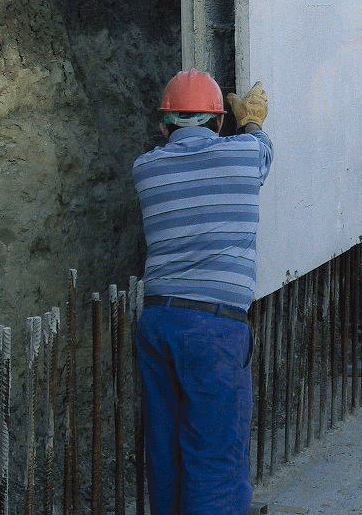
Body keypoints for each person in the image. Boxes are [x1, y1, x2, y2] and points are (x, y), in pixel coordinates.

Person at [132, 69, 272, 514]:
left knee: (166, 452)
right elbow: (261, 144)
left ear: (163, 127)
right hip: (213, 328)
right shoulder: (246, 155)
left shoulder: (146, 168)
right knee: (214, 454)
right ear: (218, 124)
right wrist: (249, 120)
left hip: (158, 323)